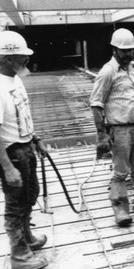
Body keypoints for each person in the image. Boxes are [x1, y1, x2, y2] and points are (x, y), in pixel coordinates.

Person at [90, 28, 134, 227]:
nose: (128, 54)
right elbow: (96, 104)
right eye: (124, 51)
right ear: (114, 50)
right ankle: (121, 210)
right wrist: (101, 135)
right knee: (121, 172)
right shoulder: (107, 72)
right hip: (119, 129)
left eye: (131, 50)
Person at [0, 31, 49, 269]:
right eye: (21, 56)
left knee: (31, 194)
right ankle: (19, 256)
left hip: (26, 146)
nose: (26, 60)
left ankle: (27, 237)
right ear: (8, 58)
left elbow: (24, 114)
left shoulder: (16, 78)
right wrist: (8, 168)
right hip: (11, 153)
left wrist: (36, 139)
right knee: (15, 205)